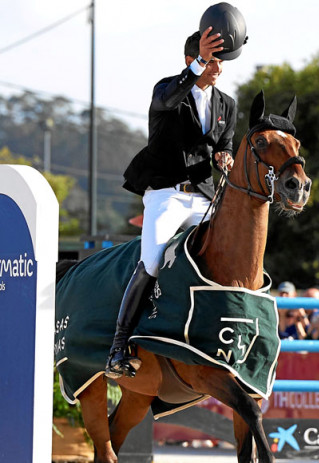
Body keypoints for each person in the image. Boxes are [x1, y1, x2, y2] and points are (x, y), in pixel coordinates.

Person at [105, 5, 247, 379]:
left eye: (219, 62)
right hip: (166, 194)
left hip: (202, 195)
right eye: (211, 61)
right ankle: (119, 346)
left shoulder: (227, 105)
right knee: (152, 261)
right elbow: (168, 100)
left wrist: (225, 157)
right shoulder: (167, 90)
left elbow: (226, 143)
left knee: (231, 252)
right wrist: (199, 64)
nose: (218, 68)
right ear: (193, 59)